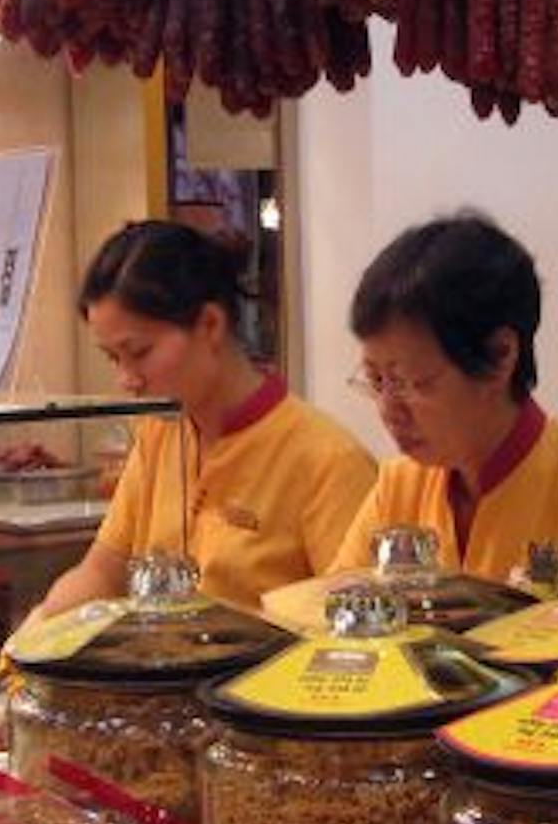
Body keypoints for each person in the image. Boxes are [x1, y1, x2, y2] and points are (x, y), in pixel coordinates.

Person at [327, 213, 558, 584]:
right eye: (376, 379)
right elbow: (326, 617)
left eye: (411, 382)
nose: (390, 410)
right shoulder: (400, 487)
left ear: (500, 355)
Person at [33, 220, 376, 615]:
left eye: (140, 352)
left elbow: (351, 625)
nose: (127, 380)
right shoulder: (158, 435)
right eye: (113, 358)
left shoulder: (328, 461)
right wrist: (37, 633)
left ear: (210, 324)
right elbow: (103, 571)